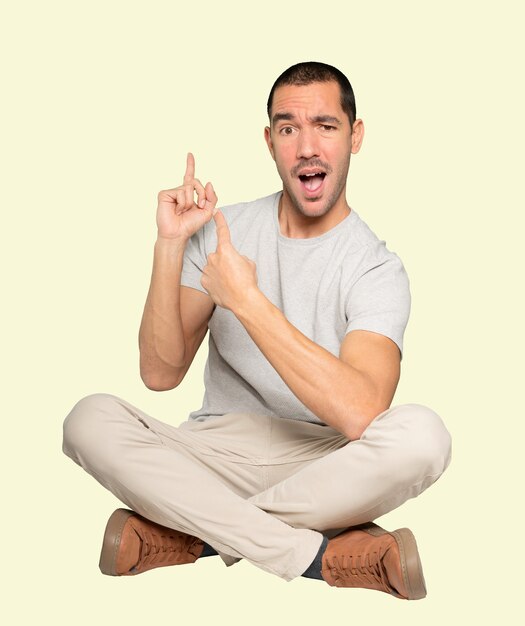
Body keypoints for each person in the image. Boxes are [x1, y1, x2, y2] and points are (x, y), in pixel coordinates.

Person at [62, 61, 451, 600]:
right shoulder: (224, 232)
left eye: (326, 126)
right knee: (87, 419)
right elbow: (159, 372)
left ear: (355, 136)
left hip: (323, 466)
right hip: (212, 455)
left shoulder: (375, 269)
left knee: (424, 437)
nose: (307, 146)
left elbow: (362, 412)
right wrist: (170, 245)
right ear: (270, 142)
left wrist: (247, 301)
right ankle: (316, 557)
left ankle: (193, 535)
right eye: (289, 128)